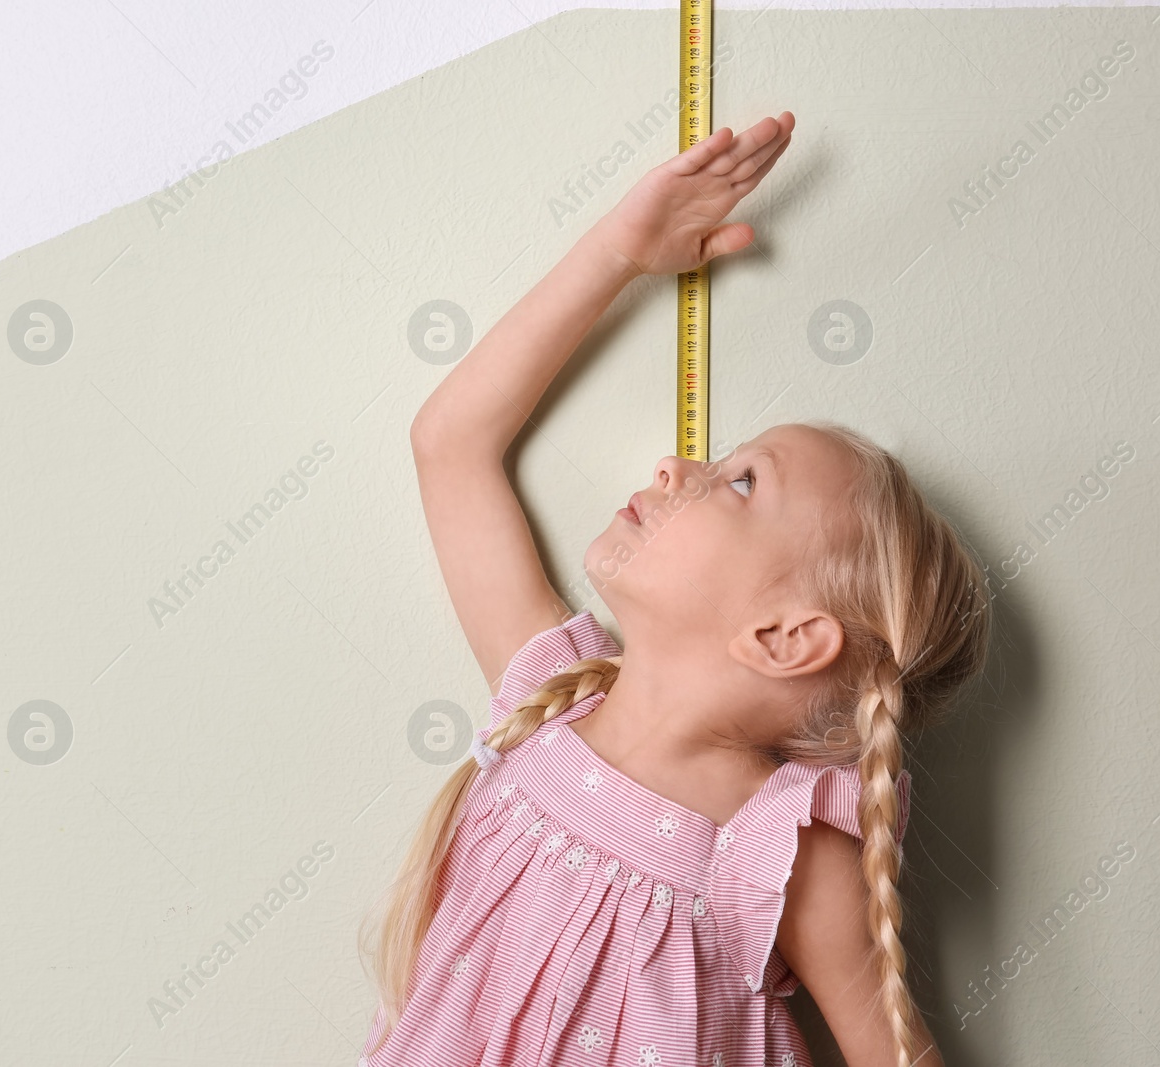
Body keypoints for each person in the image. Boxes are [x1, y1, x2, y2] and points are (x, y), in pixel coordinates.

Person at [358, 112, 990, 1067]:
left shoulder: (780, 843)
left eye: (739, 481)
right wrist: (620, 249)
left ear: (783, 636)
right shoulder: (545, 701)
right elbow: (449, 444)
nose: (673, 464)